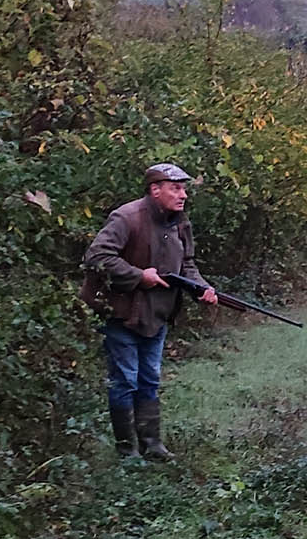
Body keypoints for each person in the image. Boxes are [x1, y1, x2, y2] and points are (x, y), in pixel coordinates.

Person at [81, 162, 216, 460]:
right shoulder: (127, 217)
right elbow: (97, 256)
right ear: (155, 190)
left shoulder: (179, 222)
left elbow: (187, 264)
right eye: (175, 188)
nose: (183, 195)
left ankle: (152, 446)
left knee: (150, 378)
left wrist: (202, 288)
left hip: (157, 313)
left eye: (183, 189)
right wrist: (139, 275)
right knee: (125, 379)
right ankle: (127, 451)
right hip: (122, 311)